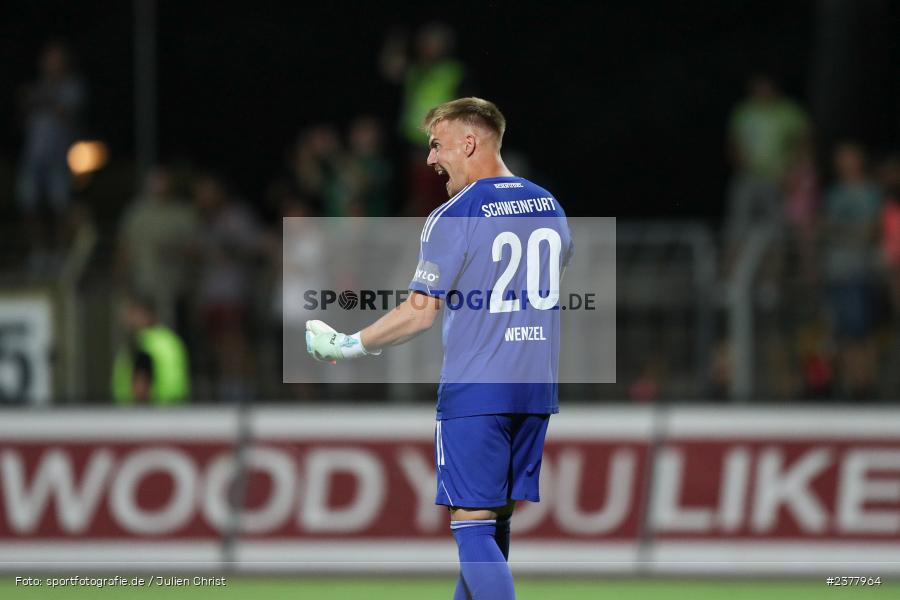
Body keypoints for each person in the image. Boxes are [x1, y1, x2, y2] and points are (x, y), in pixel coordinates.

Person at [305, 97, 573, 600]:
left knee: (471, 523)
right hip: (534, 386)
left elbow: (420, 312)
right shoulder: (548, 205)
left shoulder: (455, 214)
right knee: (491, 524)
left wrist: (349, 343)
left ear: (468, 143)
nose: (430, 159)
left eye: (436, 144)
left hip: (478, 387)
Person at [112, 292, 190, 406]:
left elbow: (140, 390)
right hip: (175, 414)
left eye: (130, 312)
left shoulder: (142, 345)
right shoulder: (170, 341)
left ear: (143, 313)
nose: (124, 318)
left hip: (148, 417)